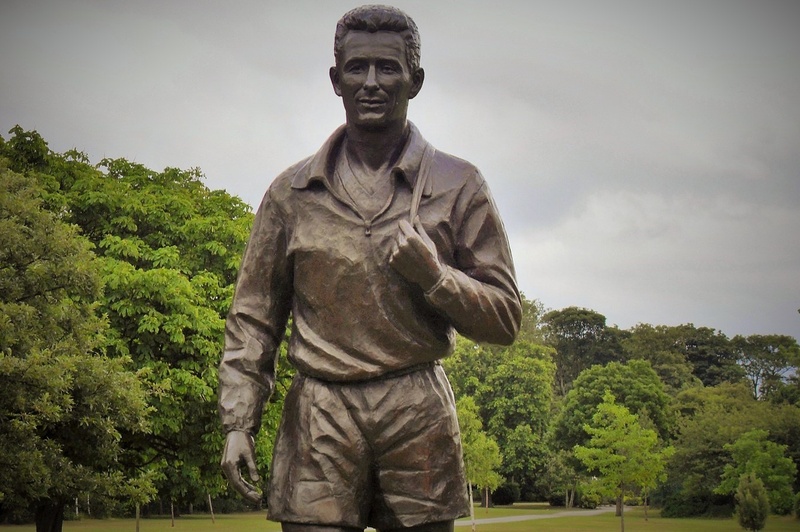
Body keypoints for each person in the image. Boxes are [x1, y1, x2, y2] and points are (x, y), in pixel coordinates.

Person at [218, 5, 522, 532]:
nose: (372, 83)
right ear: (336, 80)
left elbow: (504, 320)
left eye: (388, 68)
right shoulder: (291, 194)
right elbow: (253, 319)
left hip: (416, 407)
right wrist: (238, 422)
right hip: (320, 413)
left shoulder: (459, 185)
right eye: (357, 69)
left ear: (416, 80)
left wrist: (436, 277)